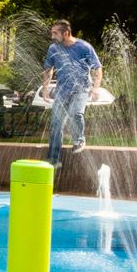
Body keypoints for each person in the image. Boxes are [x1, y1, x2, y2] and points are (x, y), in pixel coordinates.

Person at [39, 19, 103, 168]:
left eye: (55, 33)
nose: (52, 36)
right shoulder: (53, 49)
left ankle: (79, 139)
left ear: (66, 33)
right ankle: (54, 160)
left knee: (76, 113)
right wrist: (45, 88)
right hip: (62, 90)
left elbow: (97, 68)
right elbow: (49, 69)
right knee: (56, 123)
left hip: (81, 89)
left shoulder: (84, 47)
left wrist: (96, 88)